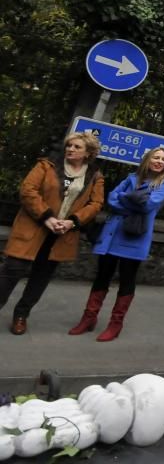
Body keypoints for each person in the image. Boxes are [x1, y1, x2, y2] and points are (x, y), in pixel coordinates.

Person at [1, 132, 105, 335]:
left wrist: (71, 222)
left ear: (88, 153)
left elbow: (96, 203)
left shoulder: (95, 176)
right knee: (11, 271)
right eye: (69, 145)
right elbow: (28, 190)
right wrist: (47, 217)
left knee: (41, 277)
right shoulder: (46, 165)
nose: (70, 149)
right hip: (33, 227)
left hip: (61, 234)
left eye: (77, 147)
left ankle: (21, 315)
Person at [68, 147, 164, 341]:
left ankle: (115, 324)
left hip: (134, 238)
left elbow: (148, 205)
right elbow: (111, 199)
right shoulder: (131, 177)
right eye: (156, 157)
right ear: (148, 159)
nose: (160, 161)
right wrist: (132, 199)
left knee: (127, 280)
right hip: (111, 235)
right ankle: (88, 318)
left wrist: (124, 198)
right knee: (102, 277)